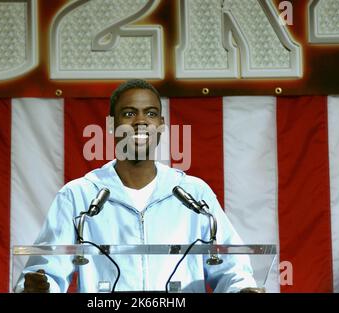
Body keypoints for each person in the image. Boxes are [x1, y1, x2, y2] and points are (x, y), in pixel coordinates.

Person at [16, 79, 258, 293]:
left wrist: (242, 289)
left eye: (151, 114)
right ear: (111, 125)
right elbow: (45, 272)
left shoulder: (194, 193)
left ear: (161, 124)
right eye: (129, 114)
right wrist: (38, 288)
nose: (141, 121)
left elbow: (232, 269)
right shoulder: (79, 195)